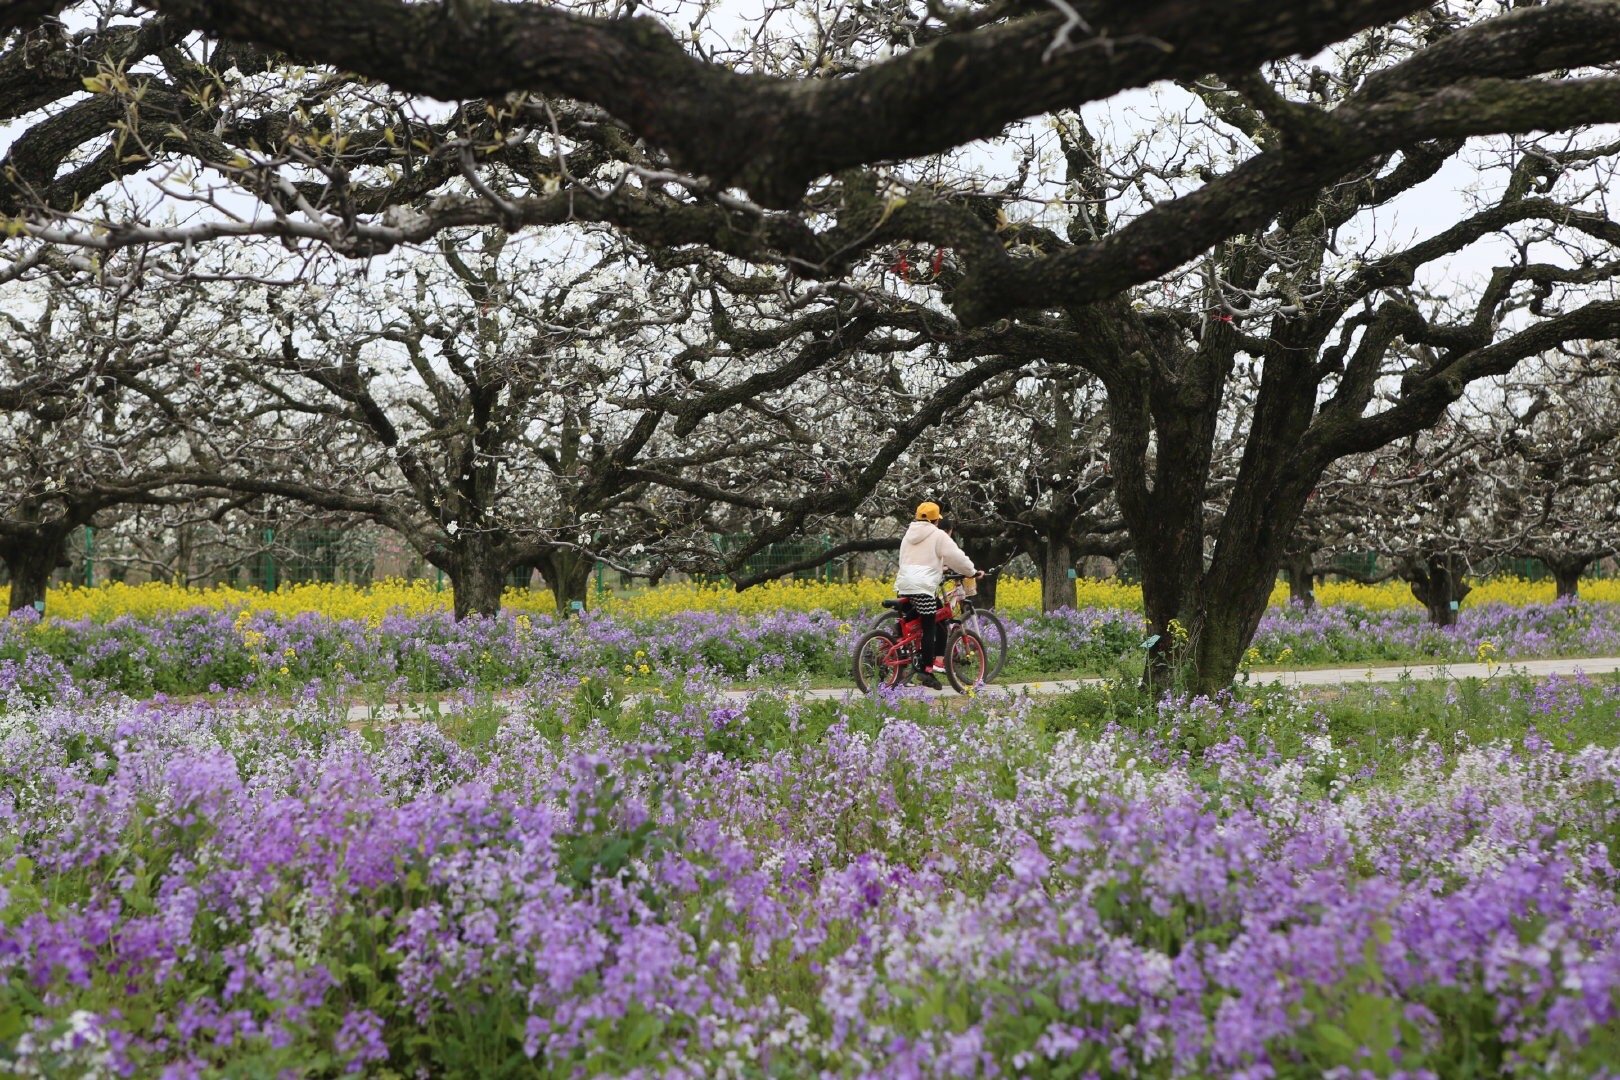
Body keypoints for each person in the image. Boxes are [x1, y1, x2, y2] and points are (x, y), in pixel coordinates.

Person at [895, 501, 976, 688]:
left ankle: (900, 634)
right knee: (931, 624)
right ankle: (927, 670)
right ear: (936, 521)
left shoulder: (908, 535)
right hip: (923, 587)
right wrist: (971, 571)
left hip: (904, 584)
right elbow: (956, 557)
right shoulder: (938, 535)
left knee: (923, 621)